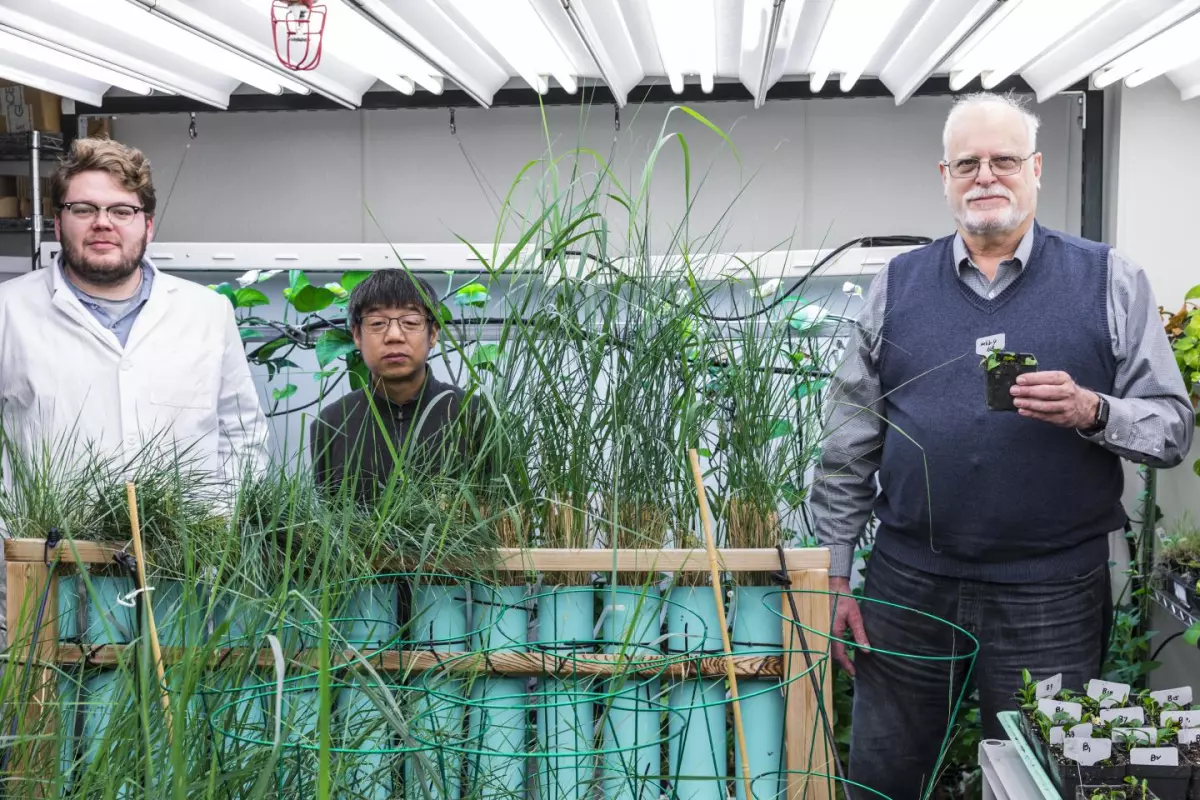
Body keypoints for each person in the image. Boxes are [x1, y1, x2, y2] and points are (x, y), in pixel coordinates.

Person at [809, 92, 1194, 799]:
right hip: (909, 582)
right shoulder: (898, 284)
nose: (986, 176)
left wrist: (1092, 410)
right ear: (945, 177)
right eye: (968, 164)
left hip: (1052, 590)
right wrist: (834, 575)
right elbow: (850, 438)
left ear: (1036, 169)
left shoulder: (1108, 279)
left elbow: (1171, 427)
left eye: (1004, 160)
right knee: (882, 776)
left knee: (1038, 781)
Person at [0, 136, 270, 484]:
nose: (102, 222)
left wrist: (217, 515)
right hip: (48, 523)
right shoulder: (8, 309)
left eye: (122, 211)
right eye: (83, 209)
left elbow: (243, 435)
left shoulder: (208, 313)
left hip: (185, 522)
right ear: (58, 224)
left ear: (148, 226)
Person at [309, 269, 475, 502]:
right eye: (377, 323)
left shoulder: (473, 414)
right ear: (357, 335)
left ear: (433, 334)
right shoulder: (331, 423)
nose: (394, 335)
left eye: (410, 322)